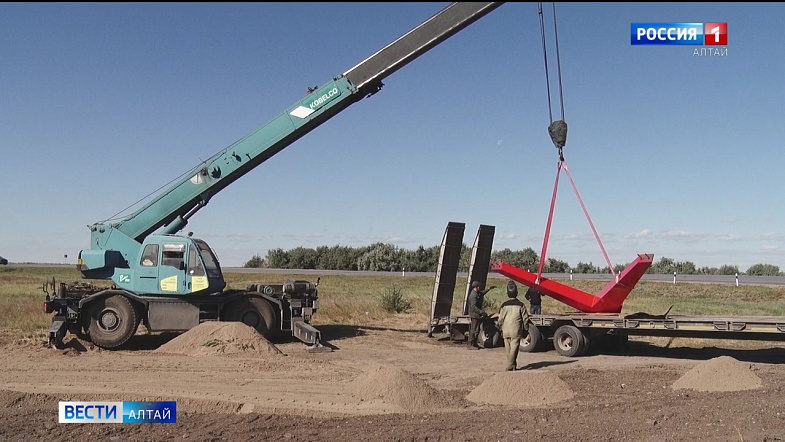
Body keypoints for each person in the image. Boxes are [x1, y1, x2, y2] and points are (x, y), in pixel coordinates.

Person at [498, 280, 531, 371]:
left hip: (506, 329)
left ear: (507, 293)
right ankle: (510, 365)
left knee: (508, 349)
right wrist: (526, 329)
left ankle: (513, 365)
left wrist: (500, 327)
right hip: (516, 330)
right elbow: (525, 319)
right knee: (514, 349)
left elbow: (500, 319)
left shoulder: (504, 305)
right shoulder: (521, 305)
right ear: (517, 293)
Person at [466, 280, 496, 350]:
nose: (480, 287)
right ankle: (470, 344)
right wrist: (481, 312)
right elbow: (473, 307)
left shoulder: (477, 293)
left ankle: (474, 343)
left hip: (477, 315)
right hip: (474, 315)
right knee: (474, 330)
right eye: (479, 286)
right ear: (476, 287)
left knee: (477, 330)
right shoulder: (473, 295)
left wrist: (489, 289)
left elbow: (482, 293)